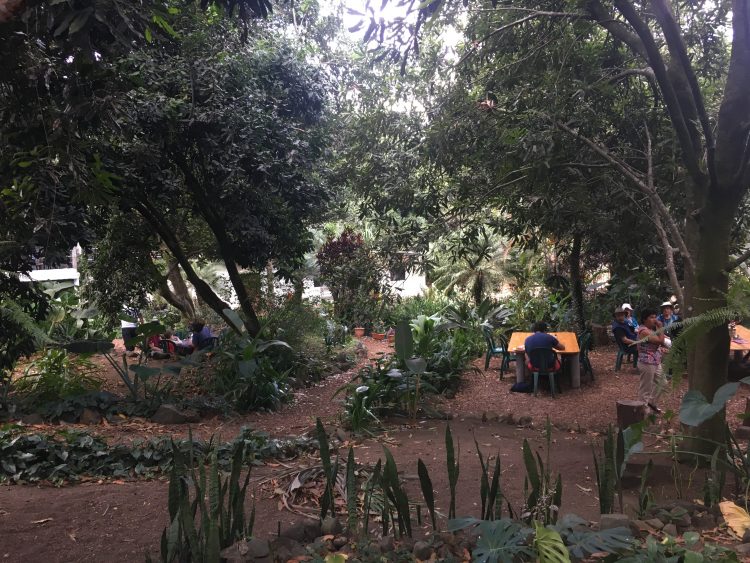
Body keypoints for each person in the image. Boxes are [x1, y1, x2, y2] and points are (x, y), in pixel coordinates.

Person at [637, 308, 667, 414]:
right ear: (644, 319)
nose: (654, 319)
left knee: (662, 383)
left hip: (655, 361)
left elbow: (661, 342)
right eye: (651, 317)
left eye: (655, 317)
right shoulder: (643, 331)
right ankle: (641, 411)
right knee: (646, 388)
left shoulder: (652, 330)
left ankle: (651, 404)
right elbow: (660, 341)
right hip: (646, 362)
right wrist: (661, 328)